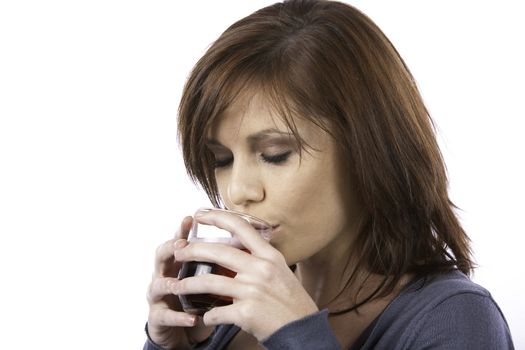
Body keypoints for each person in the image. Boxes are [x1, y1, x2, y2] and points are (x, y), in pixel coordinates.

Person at [144, 0, 514, 349]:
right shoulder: (226, 314)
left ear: (367, 151)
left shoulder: (453, 319)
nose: (239, 191)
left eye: (275, 155)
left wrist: (298, 336)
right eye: (222, 159)